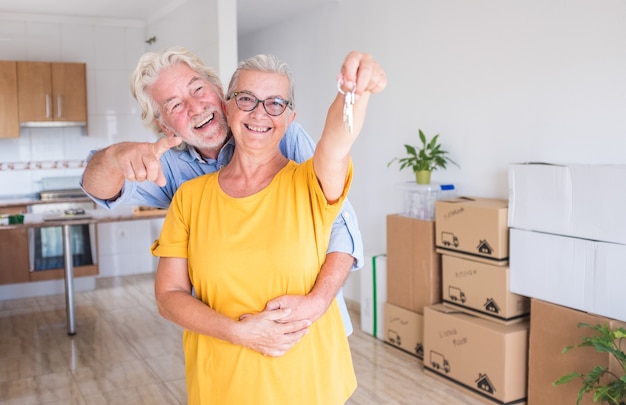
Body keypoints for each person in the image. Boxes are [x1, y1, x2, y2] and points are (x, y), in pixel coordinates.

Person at [152, 52, 386, 404]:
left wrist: (354, 92)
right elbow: (168, 298)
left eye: (276, 103)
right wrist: (237, 332)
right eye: (247, 99)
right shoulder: (189, 198)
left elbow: (337, 143)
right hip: (222, 386)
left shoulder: (311, 184)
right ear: (227, 108)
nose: (260, 113)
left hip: (308, 385)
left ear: (290, 117)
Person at [79, 47, 362, 335]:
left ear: (219, 91)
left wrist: (317, 302)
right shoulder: (173, 172)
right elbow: (98, 187)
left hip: (308, 327)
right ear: (163, 125)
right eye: (175, 105)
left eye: (198, 89)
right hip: (230, 342)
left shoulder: (278, 131)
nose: (195, 107)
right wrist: (114, 155)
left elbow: (338, 222)